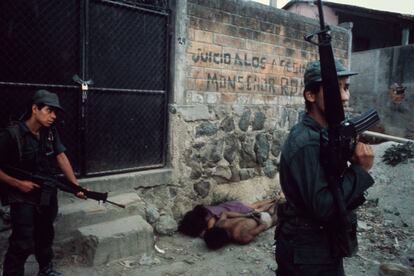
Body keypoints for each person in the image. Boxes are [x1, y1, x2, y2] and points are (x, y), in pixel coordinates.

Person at [274, 60, 375, 276]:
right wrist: (359, 170)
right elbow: (323, 206)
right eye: (334, 88)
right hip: (308, 251)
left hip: (320, 244)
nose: (345, 97)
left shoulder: (324, 136)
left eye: (346, 87)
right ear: (310, 95)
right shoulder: (307, 143)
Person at [0, 90, 85, 276]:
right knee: (22, 242)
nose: (53, 116)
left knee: (45, 235)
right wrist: (17, 183)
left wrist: (76, 186)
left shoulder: (50, 132)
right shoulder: (11, 135)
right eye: (49, 110)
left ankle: (45, 270)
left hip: (46, 192)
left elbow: (61, 156)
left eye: (55, 112)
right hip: (21, 195)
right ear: (34, 109)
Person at [203, 198, 280, 249]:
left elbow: (224, 213)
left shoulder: (241, 237)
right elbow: (225, 213)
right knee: (274, 212)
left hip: (255, 216)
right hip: (257, 217)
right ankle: (278, 201)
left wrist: (248, 216)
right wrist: (250, 216)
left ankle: (278, 201)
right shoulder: (221, 225)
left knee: (274, 213)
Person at [178, 198, 276, 238]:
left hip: (235, 210)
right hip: (230, 205)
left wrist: (208, 232)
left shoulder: (209, 219)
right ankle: (273, 199)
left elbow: (211, 230)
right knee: (253, 206)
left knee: (257, 210)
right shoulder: (203, 210)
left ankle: (275, 202)